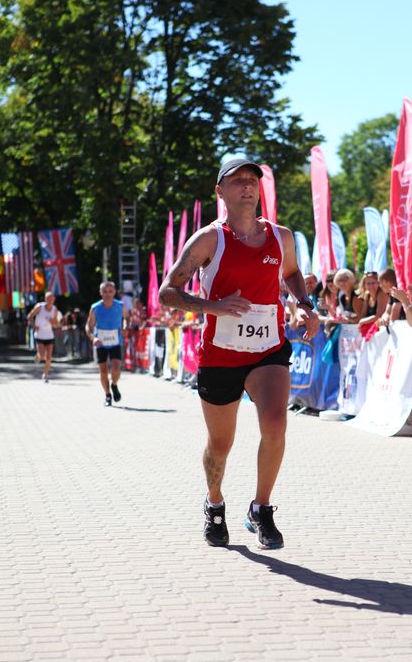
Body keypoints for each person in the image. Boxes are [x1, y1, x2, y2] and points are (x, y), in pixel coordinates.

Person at [159, 157, 319, 550]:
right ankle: (214, 503)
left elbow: (291, 273)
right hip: (220, 356)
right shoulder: (208, 240)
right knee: (220, 445)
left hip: (268, 350)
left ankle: (261, 508)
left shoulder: (281, 236)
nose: (247, 186)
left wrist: (303, 304)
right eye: (237, 181)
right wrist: (212, 307)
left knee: (276, 425)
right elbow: (167, 292)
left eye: (252, 180)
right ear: (221, 191)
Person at [85, 281, 129, 406]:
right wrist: (92, 338)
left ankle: (114, 385)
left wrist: (125, 327)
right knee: (103, 371)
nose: (108, 294)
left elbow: (127, 318)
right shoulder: (95, 307)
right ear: (101, 292)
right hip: (101, 343)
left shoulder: (120, 306)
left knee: (116, 368)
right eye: (105, 291)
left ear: (114, 292)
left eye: (110, 291)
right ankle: (108, 395)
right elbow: (88, 326)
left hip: (116, 342)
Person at [27, 291, 61, 382]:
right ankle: (38, 356)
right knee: (42, 356)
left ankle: (45, 375)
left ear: (54, 300)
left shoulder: (54, 310)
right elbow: (29, 316)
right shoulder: (39, 307)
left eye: (52, 299)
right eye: (48, 298)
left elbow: (56, 324)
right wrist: (34, 326)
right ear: (45, 299)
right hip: (39, 335)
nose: (50, 300)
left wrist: (53, 322)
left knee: (49, 358)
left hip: (49, 335)